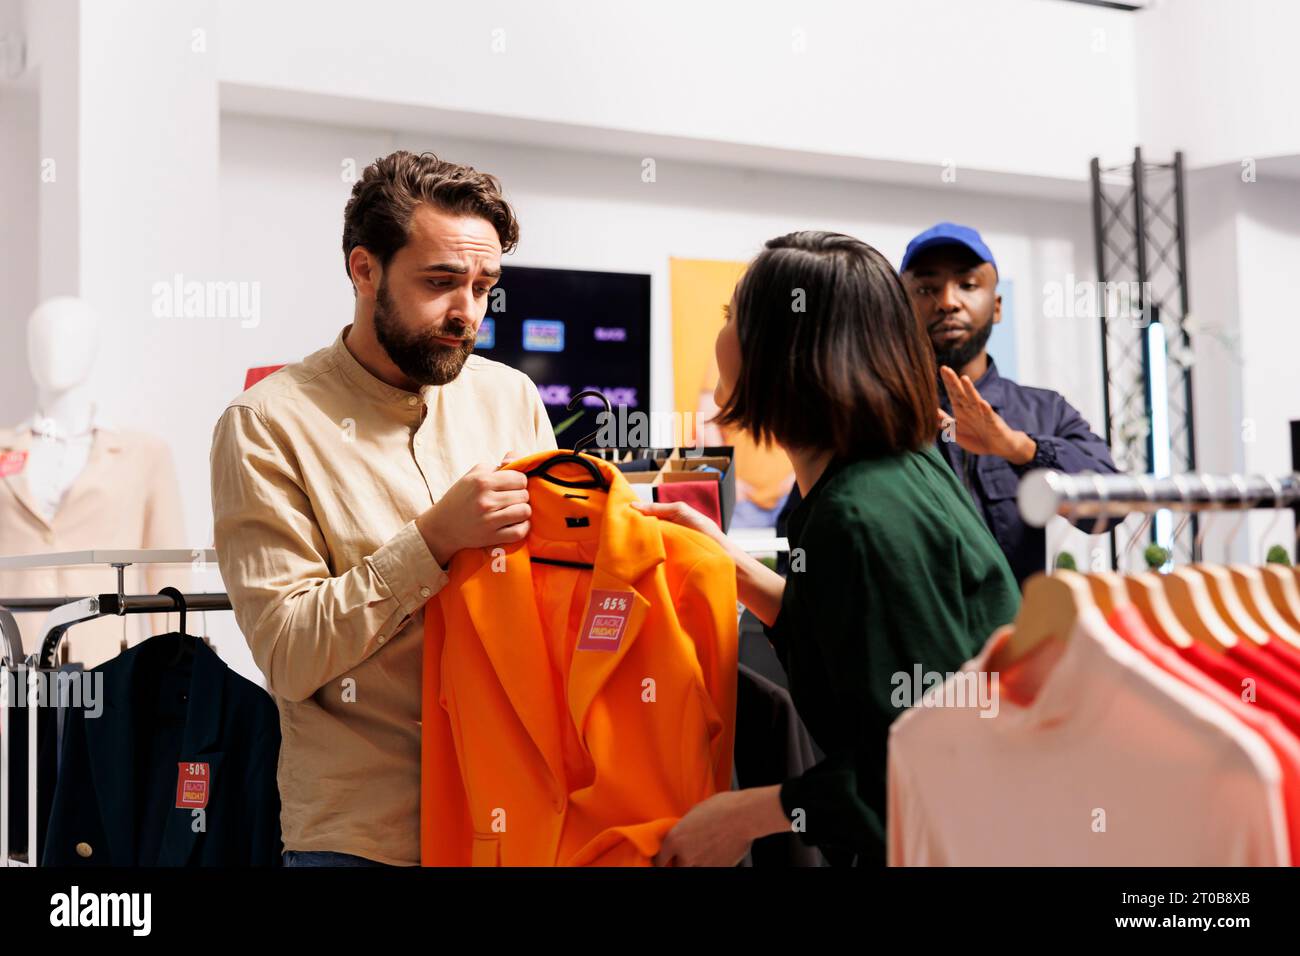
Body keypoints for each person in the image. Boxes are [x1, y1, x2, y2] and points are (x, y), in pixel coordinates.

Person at [209, 150, 556, 867]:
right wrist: (430, 543)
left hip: (513, 823)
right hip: (364, 841)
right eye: (440, 283)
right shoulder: (266, 425)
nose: (468, 314)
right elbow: (288, 653)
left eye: (484, 286)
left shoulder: (510, 398)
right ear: (363, 270)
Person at [637, 231, 1021, 866]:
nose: (722, 337)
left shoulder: (862, 514)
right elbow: (852, 637)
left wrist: (746, 815)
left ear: (788, 351)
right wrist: (728, 564)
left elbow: (921, 765)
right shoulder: (888, 473)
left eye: (734, 316)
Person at [900, 222, 1119, 586]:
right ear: (901, 310)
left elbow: (1109, 511)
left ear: (997, 306)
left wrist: (1021, 448)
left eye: (968, 285)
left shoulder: (1044, 410)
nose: (948, 302)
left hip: (1021, 637)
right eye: (926, 289)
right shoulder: (875, 416)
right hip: (917, 641)